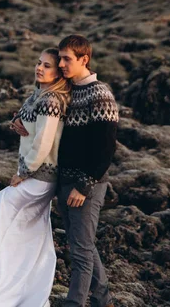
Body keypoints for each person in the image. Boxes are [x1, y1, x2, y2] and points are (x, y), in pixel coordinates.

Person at [0, 48, 71, 307]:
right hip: (40, 174)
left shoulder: (51, 100)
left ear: (58, 73)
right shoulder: (40, 95)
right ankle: (24, 290)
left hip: (40, 176)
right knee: (29, 232)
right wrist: (21, 126)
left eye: (47, 66)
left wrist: (23, 172)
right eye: (38, 63)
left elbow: (45, 142)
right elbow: (33, 127)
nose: (40, 68)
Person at [56, 34, 118, 307]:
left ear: (84, 59)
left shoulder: (100, 94)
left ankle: (75, 303)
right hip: (64, 180)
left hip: (86, 185)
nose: (61, 64)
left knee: (80, 251)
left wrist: (84, 186)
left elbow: (104, 150)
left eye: (67, 59)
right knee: (83, 245)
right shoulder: (67, 90)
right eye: (59, 58)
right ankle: (104, 300)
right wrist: (20, 122)